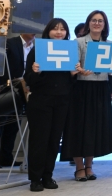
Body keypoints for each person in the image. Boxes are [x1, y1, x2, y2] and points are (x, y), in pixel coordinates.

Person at [61, 10, 112, 181]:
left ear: (104, 25)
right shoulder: (78, 42)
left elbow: (111, 70)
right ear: (88, 23)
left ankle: (89, 166)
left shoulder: (109, 43)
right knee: (78, 128)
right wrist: (78, 70)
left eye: (100, 21)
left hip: (101, 90)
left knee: (95, 129)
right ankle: (79, 167)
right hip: (81, 89)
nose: (97, 23)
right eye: (94, 20)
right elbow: (72, 67)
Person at [24, 19, 79, 192]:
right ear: (48, 31)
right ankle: (35, 178)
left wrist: (73, 74)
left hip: (61, 101)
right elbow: (28, 79)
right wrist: (37, 72)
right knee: (39, 141)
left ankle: (47, 176)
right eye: (55, 29)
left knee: (54, 141)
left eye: (63, 29)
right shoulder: (37, 50)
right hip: (40, 101)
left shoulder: (70, 52)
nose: (59, 32)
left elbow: (71, 83)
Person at [0, 33, 34, 169]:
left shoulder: (34, 48)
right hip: (2, 88)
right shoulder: (10, 43)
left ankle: (6, 157)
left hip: (21, 90)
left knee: (13, 125)